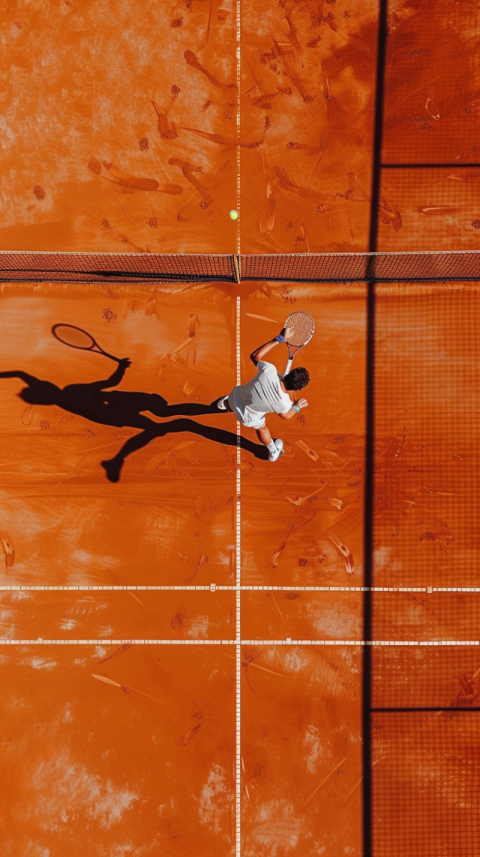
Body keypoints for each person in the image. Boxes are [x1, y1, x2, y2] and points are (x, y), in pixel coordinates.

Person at [216, 327, 310, 461]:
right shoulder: (285, 403)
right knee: (262, 427)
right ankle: (273, 451)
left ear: (289, 373)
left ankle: (224, 404)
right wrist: (296, 406)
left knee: (236, 399)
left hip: (234, 397)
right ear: (298, 389)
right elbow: (286, 416)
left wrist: (280, 339)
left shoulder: (269, 370)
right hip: (246, 417)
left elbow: (255, 356)